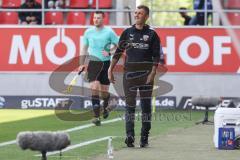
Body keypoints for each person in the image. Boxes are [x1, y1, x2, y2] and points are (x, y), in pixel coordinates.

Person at [108, 5, 164, 147]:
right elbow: (118, 52)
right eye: (136, 13)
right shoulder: (127, 32)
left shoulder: (152, 34)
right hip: (129, 75)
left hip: (146, 75)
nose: (137, 15)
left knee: (145, 107)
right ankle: (130, 136)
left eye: (140, 13)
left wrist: (152, 73)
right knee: (130, 106)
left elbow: (156, 56)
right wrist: (110, 69)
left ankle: (144, 137)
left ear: (146, 17)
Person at [80, 11, 119, 126]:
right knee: (94, 87)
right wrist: (81, 64)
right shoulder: (88, 32)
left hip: (106, 64)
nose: (96, 20)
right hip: (93, 63)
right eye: (94, 18)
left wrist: (110, 52)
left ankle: (105, 107)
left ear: (103, 19)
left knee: (104, 93)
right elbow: (84, 49)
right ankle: (96, 117)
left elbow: (119, 46)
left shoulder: (109, 32)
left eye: (98, 18)